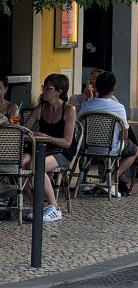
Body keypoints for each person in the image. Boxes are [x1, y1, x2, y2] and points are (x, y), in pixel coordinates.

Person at [79, 72, 138, 197]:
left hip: (86, 148)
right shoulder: (119, 107)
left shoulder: (86, 104)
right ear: (113, 89)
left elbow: (78, 125)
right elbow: (124, 135)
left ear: (96, 87)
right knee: (134, 150)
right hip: (111, 149)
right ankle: (112, 180)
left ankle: (84, 180)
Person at [22, 74, 77, 222]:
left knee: (37, 166)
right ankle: (36, 205)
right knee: (20, 163)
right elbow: (24, 131)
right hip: (41, 148)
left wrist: (45, 137)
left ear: (59, 91)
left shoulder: (69, 109)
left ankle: (54, 208)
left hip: (63, 152)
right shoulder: (40, 109)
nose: (43, 90)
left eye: (48, 88)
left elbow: (67, 142)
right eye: (43, 87)